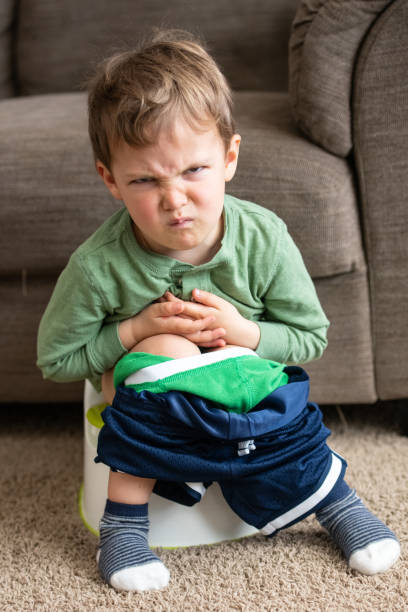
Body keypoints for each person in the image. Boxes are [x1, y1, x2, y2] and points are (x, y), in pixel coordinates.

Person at [37, 30, 400, 592]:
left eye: (193, 171)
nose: (174, 199)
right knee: (168, 350)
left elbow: (310, 338)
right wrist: (135, 329)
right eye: (144, 180)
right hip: (152, 400)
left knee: (269, 384)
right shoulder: (98, 266)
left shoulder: (263, 238)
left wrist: (245, 333)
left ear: (229, 157)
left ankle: (333, 499)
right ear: (110, 179)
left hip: (243, 385)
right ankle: (124, 525)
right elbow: (58, 359)